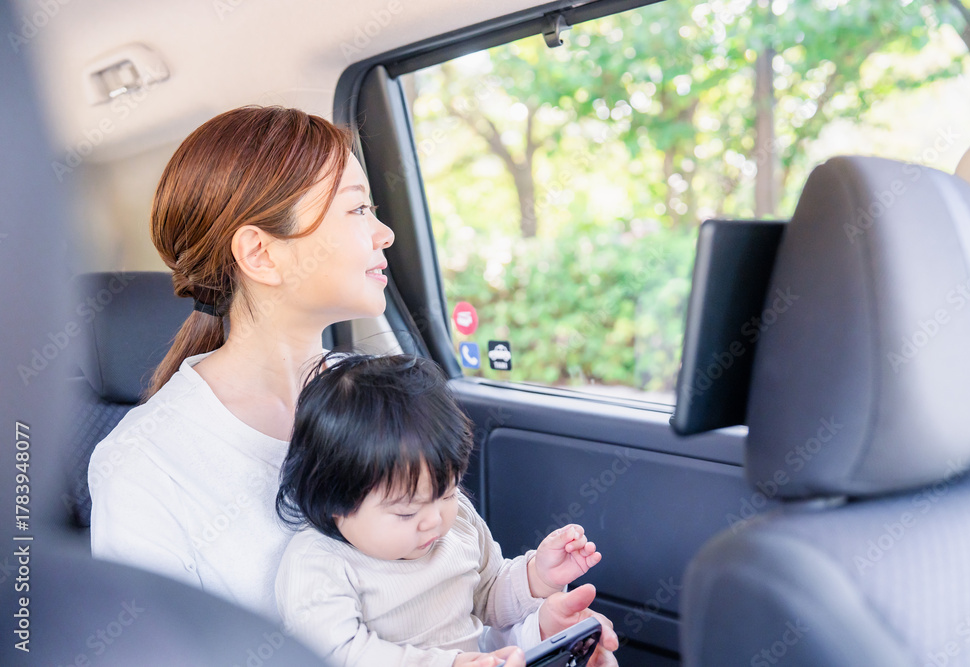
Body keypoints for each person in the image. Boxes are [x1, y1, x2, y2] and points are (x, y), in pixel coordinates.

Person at [87, 106, 618, 667]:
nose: (384, 232)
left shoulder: (381, 398)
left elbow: (451, 619)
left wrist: (537, 641)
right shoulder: (143, 464)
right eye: (358, 208)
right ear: (260, 253)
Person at [275, 354, 603, 667]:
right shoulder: (319, 564)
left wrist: (538, 576)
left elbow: (489, 593)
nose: (435, 519)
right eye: (407, 512)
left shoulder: (458, 522)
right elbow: (339, 655)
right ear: (334, 502)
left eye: (447, 493)